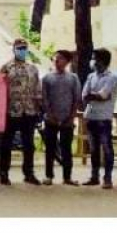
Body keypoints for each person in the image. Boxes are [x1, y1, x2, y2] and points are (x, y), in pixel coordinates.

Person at [0, 38, 42, 186]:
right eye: (19, 48)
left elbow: (37, 89)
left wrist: (39, 108)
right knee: (6, 143)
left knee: (29, 144)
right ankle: (3, 173)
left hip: (29, 111)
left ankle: (29, 173)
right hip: (10, 110)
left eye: (24, 47)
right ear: (14, 49)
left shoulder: (33, 68)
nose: (21, 50)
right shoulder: (6, 68)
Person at [41, 50, 82, 186]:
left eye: (60, 59)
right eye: (55, 58)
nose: (57, 61)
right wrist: (50, 114)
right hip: (50, 118)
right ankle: (49, 175)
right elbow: (45, 98)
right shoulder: (47, 78)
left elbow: (76, 98)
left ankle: (67, 176)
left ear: (67, 61)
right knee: (50, 148)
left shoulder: (73, 78)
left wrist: (72, 116)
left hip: (67, 119)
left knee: (66, 149)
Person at [81, 48, 117, 189]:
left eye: (95, 58)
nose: (93, 61)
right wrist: (94, 96)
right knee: (93, 149)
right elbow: (84, 95)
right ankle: (94, 176)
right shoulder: (91, 77)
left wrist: (94, 95)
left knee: (107, 148)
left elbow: (104, 95)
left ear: (102, 60)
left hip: (104, 117)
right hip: (91, 116)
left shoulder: (112, 77)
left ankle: (107, 178)